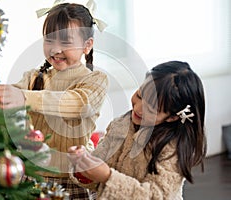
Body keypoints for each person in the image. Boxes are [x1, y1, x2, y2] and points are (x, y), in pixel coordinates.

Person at [0, 1, 108, 199]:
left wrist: (23, 97)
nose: (55, 49)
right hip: (31, 175)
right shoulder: (33, 77)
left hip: (72, 178)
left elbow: (78, 103)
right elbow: (9, 98)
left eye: (65, 42)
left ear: (87, 45)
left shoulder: (95, 79)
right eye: (49, 40)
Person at [68, 61, 207, 200]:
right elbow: (100, 166)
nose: (138, 109)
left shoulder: (173, 149)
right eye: (140, 96)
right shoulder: (121, 124)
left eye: (152, 108)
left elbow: (155, 196)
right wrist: (84, 167)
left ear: (172, 117)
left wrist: (107, 176)